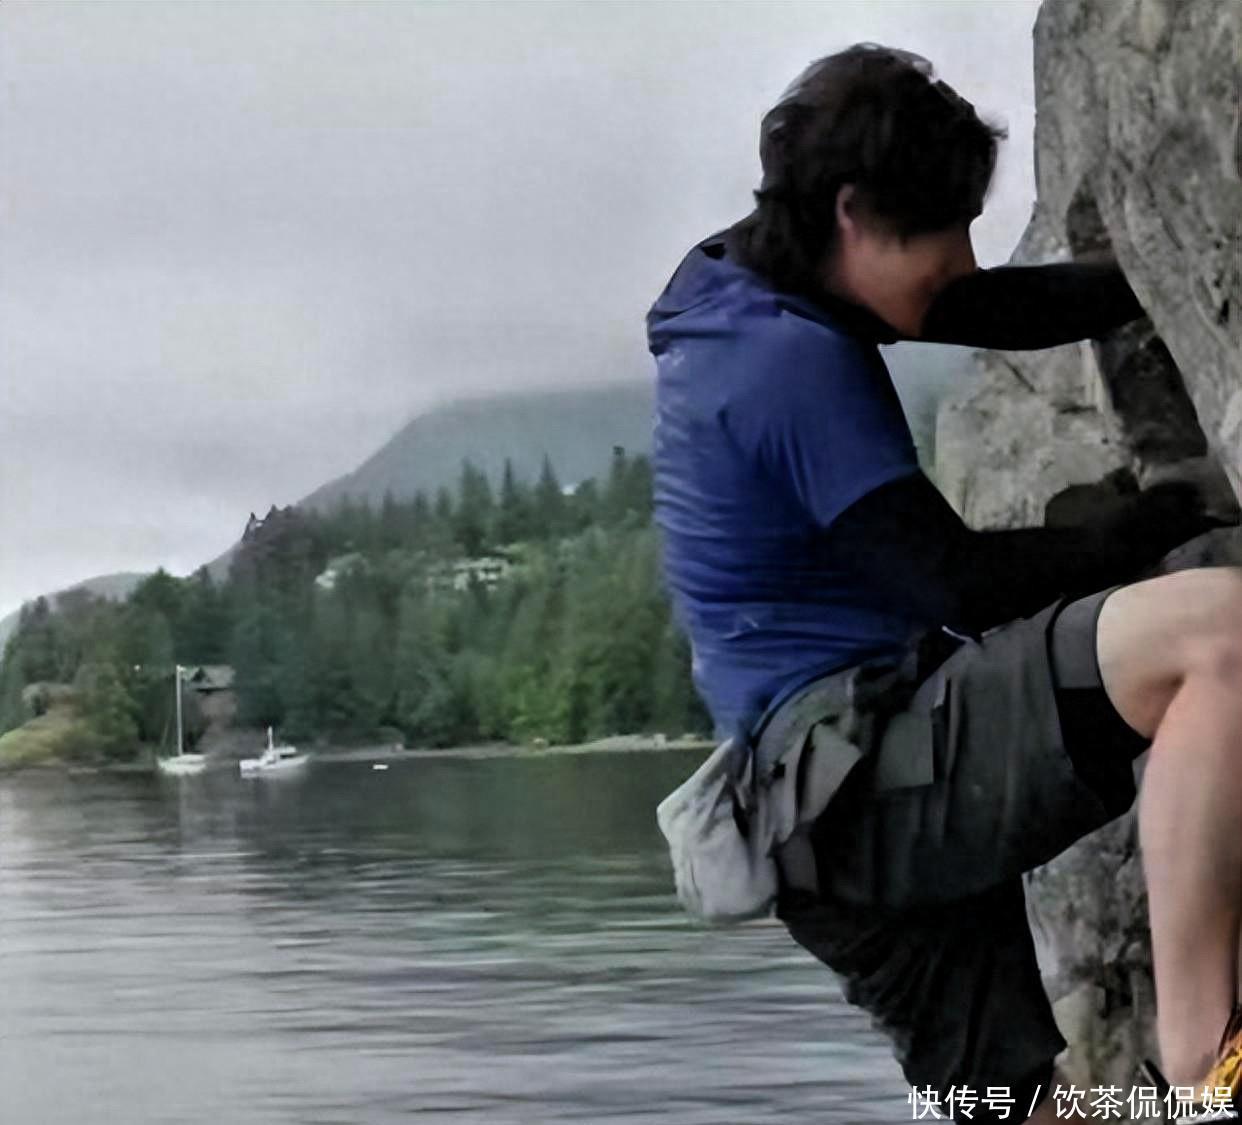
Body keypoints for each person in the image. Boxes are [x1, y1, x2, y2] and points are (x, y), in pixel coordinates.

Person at [645, 43, 1242, 1124]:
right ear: (853, 212)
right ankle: (1210, 1064)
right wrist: (1149, 525)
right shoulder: (779, 364)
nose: (963, 256)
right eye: (944, 230)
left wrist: (1147, 275)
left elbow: (978, 306)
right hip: (870, 778)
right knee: (1221, 636)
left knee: (1016, 1111)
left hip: (819, 846)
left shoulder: (758, 280)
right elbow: (956, 581)